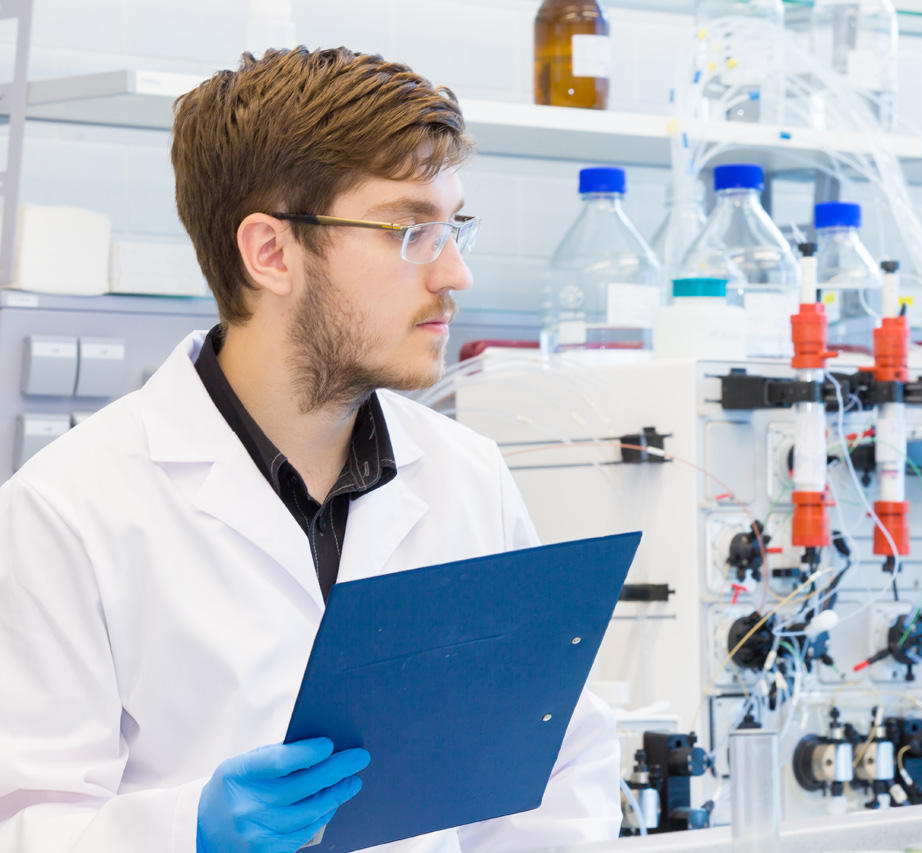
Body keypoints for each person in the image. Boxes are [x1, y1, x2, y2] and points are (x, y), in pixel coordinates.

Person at [0, 47, 620, 853]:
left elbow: (555, 764)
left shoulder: (468, 477)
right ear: (271, 252)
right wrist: (186, 831)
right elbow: (27, 823)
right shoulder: (66, 511)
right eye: (410, 231)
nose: (455, 273)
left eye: (454, 228)